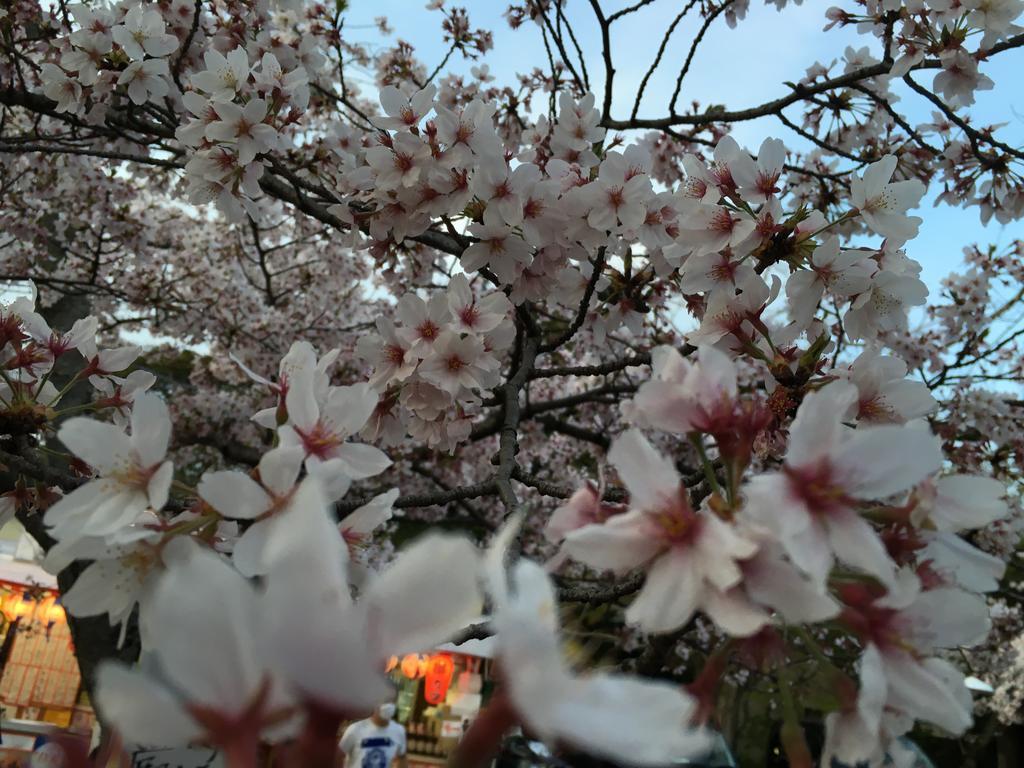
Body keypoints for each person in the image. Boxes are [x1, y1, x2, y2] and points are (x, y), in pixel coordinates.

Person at [339, 703, 408, 768]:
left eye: (391, 700)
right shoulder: (355, 729)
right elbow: (338, 755)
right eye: (385, 700)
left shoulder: (399, 731)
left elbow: (402, 757)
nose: (388, 705)